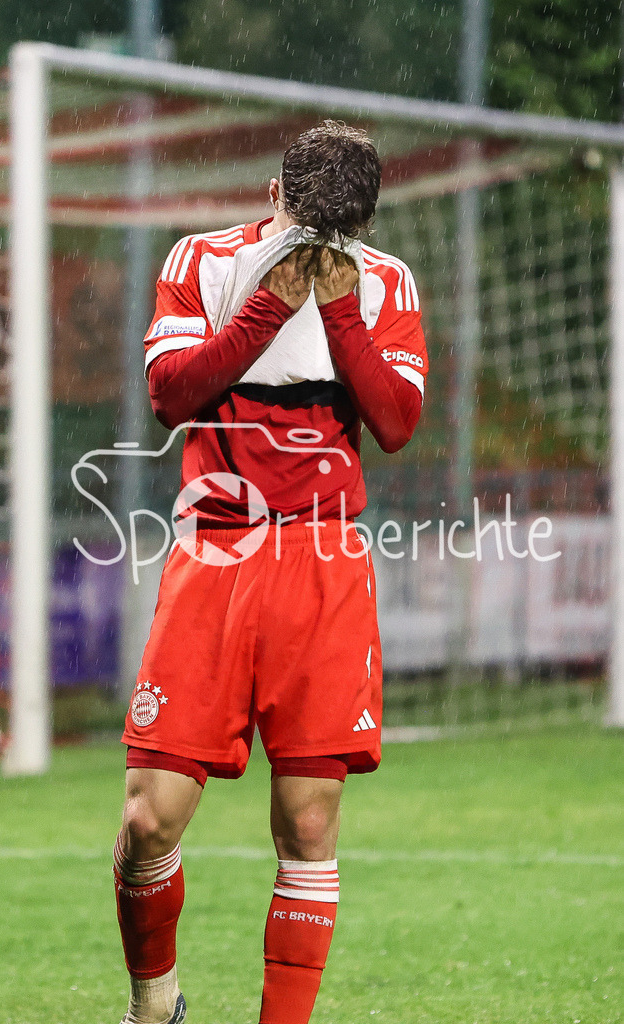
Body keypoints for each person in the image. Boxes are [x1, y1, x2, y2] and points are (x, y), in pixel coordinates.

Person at [113, 120, 428, 1024]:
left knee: (310, 823)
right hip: (215, 554)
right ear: (272, 198)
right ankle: (154, 1005)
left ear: (362, 227)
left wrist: (333, 305)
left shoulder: (385, 282)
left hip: (323, 565)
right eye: (307, 229)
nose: (321, 251)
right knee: (149, 822)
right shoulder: (202, 262)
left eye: (341, 240)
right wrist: (270, 304)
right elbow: (172, 394)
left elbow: (398, 422)